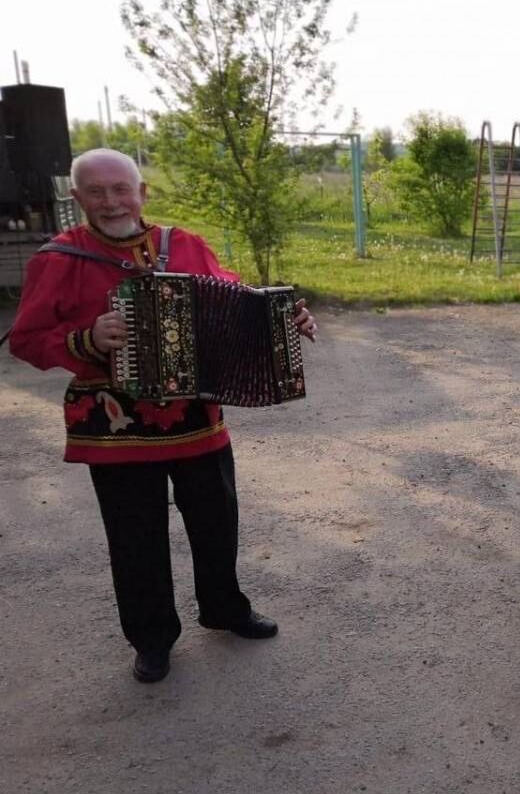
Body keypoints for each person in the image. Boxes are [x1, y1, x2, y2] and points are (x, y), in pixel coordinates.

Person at [7, 148, 317, 683]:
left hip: (198, 422)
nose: (111, 202)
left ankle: (225, 609)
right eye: (97, 192)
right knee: (135, 538)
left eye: (121, 189)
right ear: (76, 197)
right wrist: (87, 339)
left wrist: (284, 320)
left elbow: (238, 301)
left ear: (142, 192)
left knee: (218, 524)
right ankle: (152, 639)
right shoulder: (59, 259)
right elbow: (27, 340)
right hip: (116, 431)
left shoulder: (186, 245)